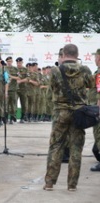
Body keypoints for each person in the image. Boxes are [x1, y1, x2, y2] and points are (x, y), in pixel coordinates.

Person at [43, 44, 94, 191]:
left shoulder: (55, 70)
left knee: (56, 146)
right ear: (77, 55)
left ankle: (49, 183)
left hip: (60, 112)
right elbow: (90, 84)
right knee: (76, 148)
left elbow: (51, 90)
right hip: (79, 113)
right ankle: (72, 185)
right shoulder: (84, 69)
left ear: (63, 54)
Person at [5, 56, 19, 124]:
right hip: (6, 90)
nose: (9, 62)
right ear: (6, 62)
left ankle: (12, 117)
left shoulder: (15, 69)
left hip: (13, 90)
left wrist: (11, 77)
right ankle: (6, 118)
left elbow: (19, 77)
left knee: (13, 105)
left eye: (10, 61)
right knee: (6, 105)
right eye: (8, 61)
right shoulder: (4, 68)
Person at [16, 57, 29, 123]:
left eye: (20, 63)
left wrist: (21, 81)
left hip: (23, 89)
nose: (19, 64)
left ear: (22, 62)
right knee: (13, 103)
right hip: (15, 89)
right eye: (18, 63)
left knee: (23, 103)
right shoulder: (14, 69)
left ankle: (23, 117)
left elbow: (28, 79)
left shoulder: (25, 70)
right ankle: (13, 116)